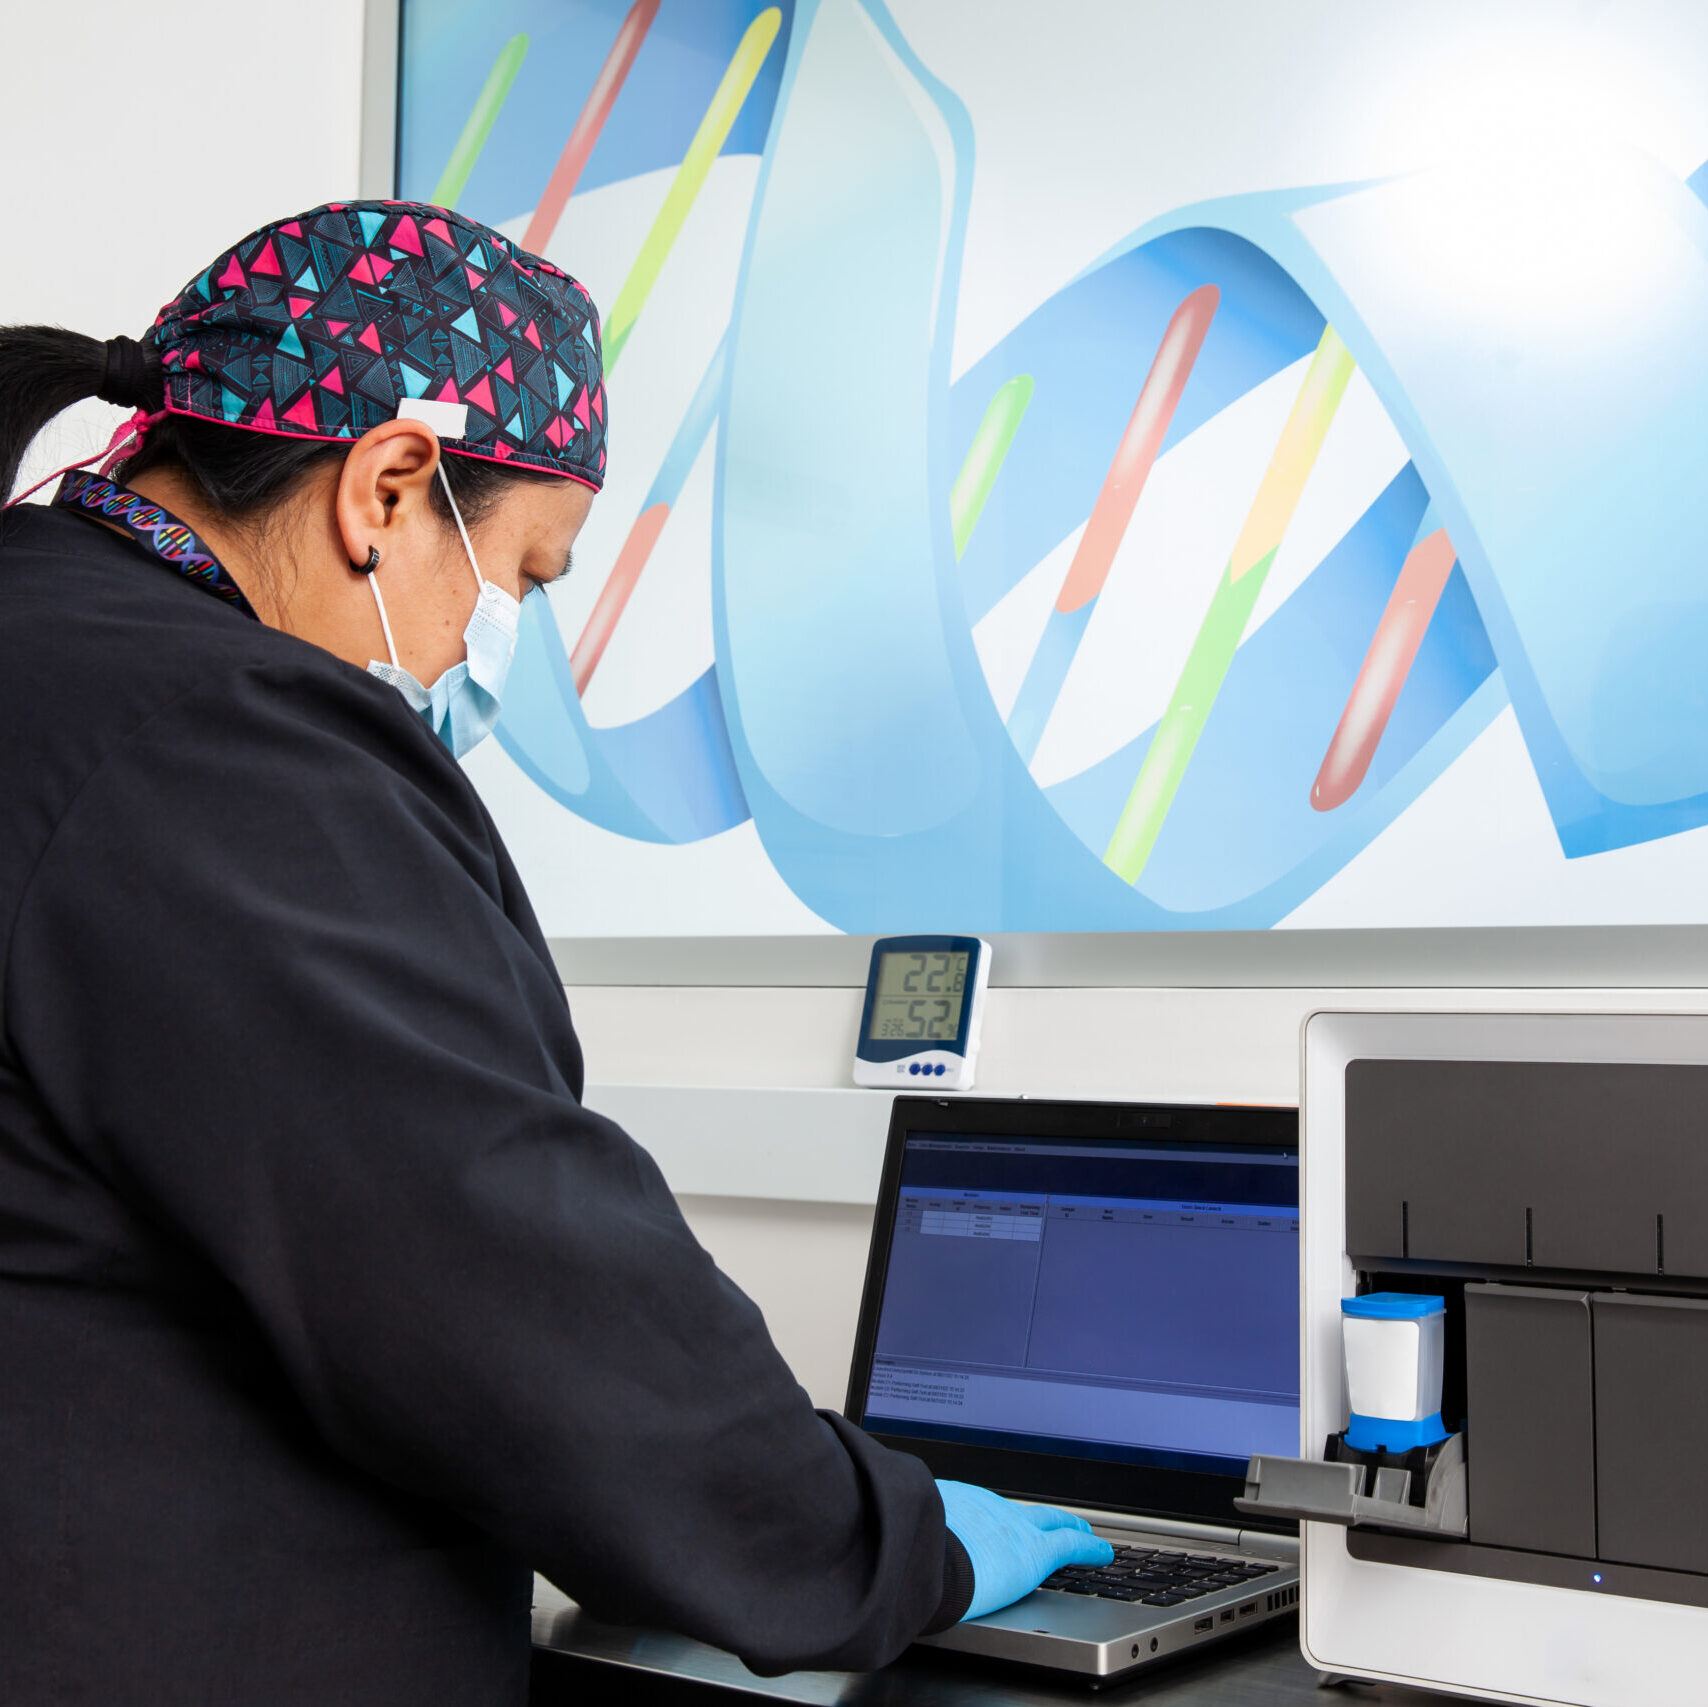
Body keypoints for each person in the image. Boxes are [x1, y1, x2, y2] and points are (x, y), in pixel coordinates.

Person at [0, 200, 1109, 1706]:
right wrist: (885, 1546)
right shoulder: (221, 747)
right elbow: (501, 1279)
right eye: (524, 572)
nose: (476, 641)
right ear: (388, 486)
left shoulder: (45, 648)